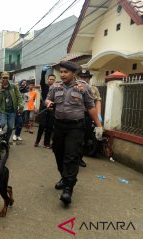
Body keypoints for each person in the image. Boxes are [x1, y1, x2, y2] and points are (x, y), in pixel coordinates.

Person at [45, 61, 103, 205]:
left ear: (73, 73)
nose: (63, 74)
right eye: (61, 72)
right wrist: (48, 104)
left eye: (66, 72)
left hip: (75, 127)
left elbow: (91, 107)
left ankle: (68, 189)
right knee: (58, 154)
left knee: (71, 156)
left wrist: (99, 125)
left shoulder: (83, 88)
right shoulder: (55, 86)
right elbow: (47, 99)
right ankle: (64, 178)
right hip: (58, 126)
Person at [77, 70, 102, 167]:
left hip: (87, 115)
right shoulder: (74, 86)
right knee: (75, 138)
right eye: (81, 77)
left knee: (85, 138)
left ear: (89, 78)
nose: (83, 79)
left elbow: (97, 102)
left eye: (85, 77)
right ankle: (72, 158)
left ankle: (80, 158)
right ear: (78, 77)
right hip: (75, 115)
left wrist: (98, 116)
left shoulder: (94, 89)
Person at [0, 72, 24, 144]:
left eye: (6, 78)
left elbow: (19, 97)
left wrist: (21, 106)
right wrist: (0, 90)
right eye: (3, 78)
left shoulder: (13, 86)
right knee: (2, 124)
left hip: (12, 111)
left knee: (10, 128)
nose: (5, 79)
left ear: (8, 78)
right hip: (3, 111)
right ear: (1, 78)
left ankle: (6, 140)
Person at [35, 66, 56, 148]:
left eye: (52, 79)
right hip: (43, 107)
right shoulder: (44, 86)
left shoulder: (57, 88)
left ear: (54, 81)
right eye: (50, 79)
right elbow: (42, 80)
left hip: (51, 108)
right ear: (48, 80)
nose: (51, 80)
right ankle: (37, 141)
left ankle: (46, 143)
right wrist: (43, 71)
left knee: (50, 126)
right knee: (42, 125)